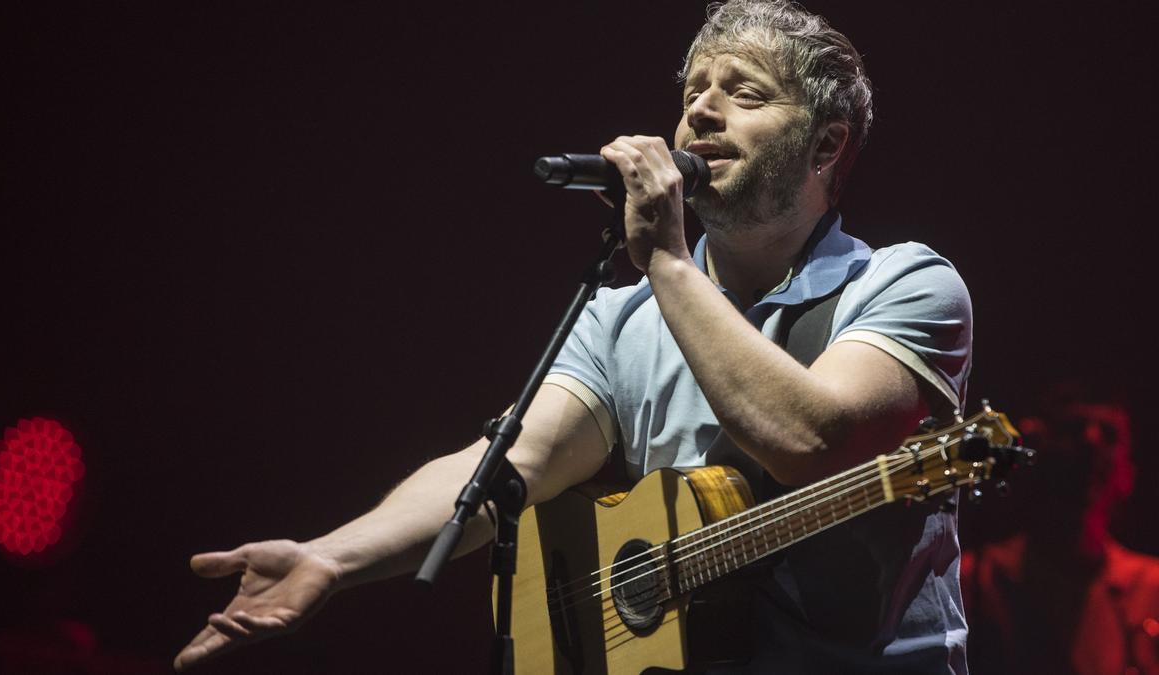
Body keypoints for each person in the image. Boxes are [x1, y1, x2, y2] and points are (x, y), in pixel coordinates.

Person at [175, 1, 973, 672]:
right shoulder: (622, 316)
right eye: (693, 90)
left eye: (744, 93)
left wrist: (664, 258)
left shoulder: (906, 285)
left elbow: (810, 436)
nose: (699, 110)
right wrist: (331, 557)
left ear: (826, 145)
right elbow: (507, 467)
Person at [962, 389, 1159, 674]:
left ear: (1128, 473)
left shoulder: (1150, 588)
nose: (1091, 442)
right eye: (1073, 429)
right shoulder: (978, 579)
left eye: (1109, 434)